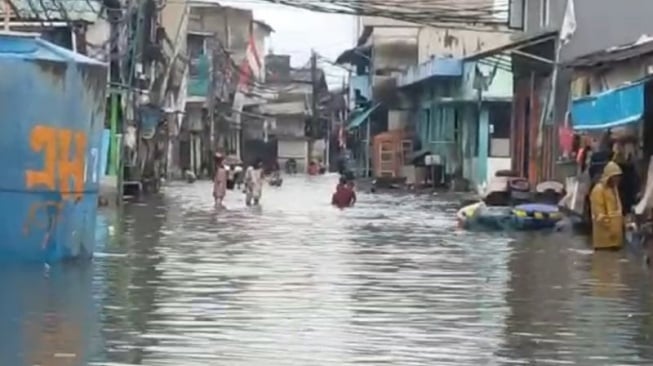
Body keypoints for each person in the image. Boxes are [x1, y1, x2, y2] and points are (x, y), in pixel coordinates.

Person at [589, 161, 624, 250]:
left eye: (619, 177)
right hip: (603, 241)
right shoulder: (598, 190)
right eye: (615, 177)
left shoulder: (614, 190)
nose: (618, 179)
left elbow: (618, 210)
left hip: (615, 240)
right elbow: (599, 214)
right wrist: (612, 227)